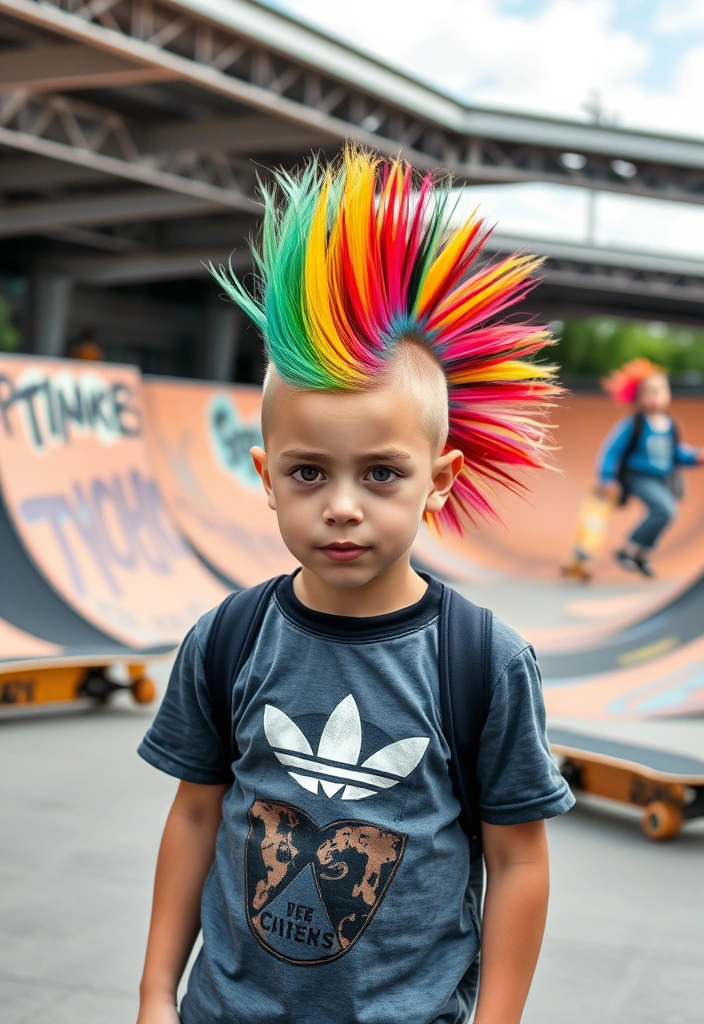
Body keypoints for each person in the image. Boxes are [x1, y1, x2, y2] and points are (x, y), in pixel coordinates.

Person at [135, 149, 574, 1024]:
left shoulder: (481, 663)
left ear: (439, 479)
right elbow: (194, 819)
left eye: (380, 474)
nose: (341, 508)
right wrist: (156, 994)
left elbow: (518, 859)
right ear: (264, 473)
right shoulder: (227, 640)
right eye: (307, 474)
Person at [596, 358, 704, 577]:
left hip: (662, 478)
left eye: (660, 390)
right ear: (638, 397)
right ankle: (627, 549)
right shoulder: (633, 424)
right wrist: (606, 477)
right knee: (666, 509)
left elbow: (676, 453)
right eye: (649, 392)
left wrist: (696, 456)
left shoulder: (670, 425)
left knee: (666, 514)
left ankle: (641, 554)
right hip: (638, 476)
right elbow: (611, 451)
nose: (655, 396)